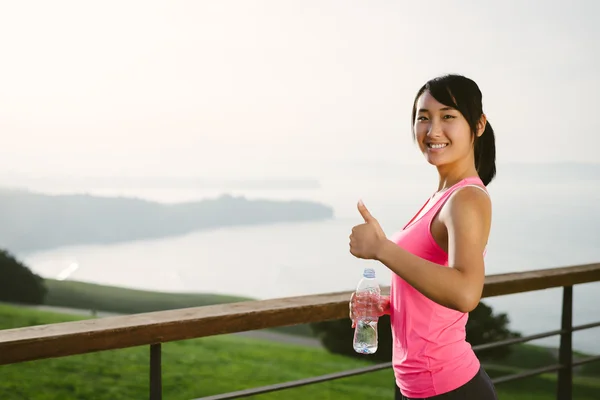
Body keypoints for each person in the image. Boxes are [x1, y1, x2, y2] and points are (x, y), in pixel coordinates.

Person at [349, 74, 499, 399]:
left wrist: (382, 249)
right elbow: (434, 290)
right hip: (415, 386)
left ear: (478, 125)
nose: (432, 131)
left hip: (448, 388)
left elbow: (465, 293)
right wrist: (392, 304)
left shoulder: (466, 199)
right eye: (423, 118)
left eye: (448, 116)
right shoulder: (442, 195)